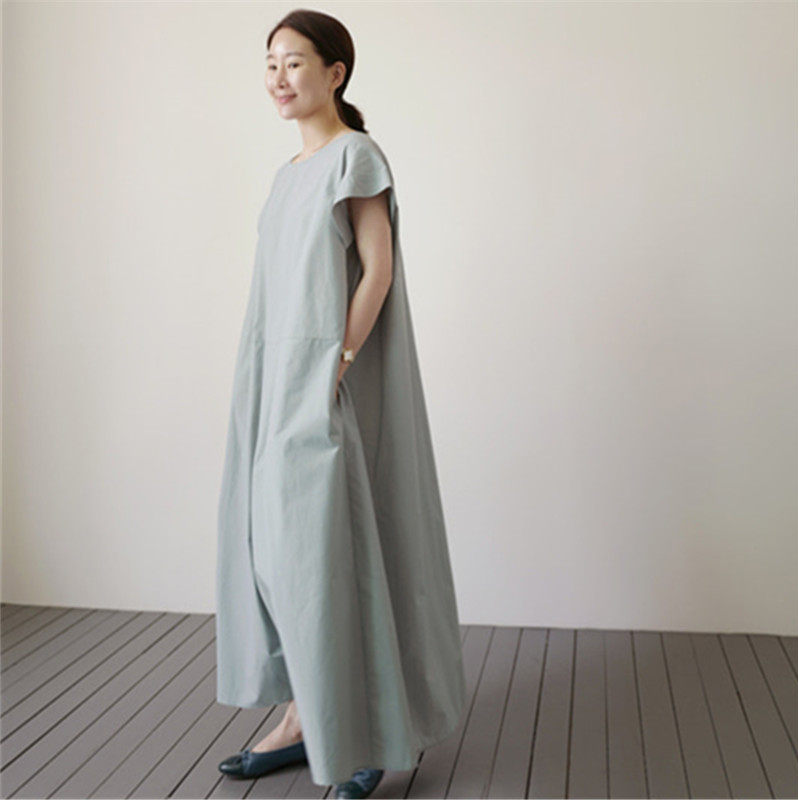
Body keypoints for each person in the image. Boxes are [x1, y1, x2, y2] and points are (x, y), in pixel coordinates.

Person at [214, 9, 467, 799]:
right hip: (271, 379)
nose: (278, 78)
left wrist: (337, 364)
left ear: (335, 73)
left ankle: (366, 731)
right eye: (270, 64)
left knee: (330, 553)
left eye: (294, 62)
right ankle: (304, 717)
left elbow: (376, 270)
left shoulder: (356, 155)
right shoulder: (287, 174)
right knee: (275, 556)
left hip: (322, 379)